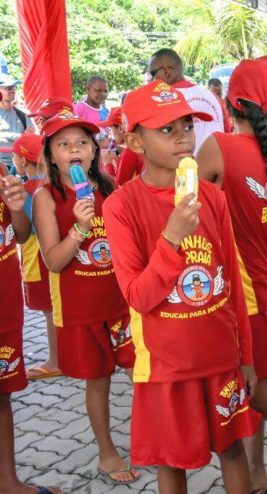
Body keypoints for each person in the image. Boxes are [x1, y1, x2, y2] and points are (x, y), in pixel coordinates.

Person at [103, 80, 258, 493]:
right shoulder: (120, 206)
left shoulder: (212, 197)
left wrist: (246, 352)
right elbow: (138, 295)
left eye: (187, 126)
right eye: (166, 130)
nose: (183, 137)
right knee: (171, 462)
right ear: (135, 140)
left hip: (221, 355)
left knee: (232, 450)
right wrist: (171, 239)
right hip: (165, 367)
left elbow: (232, 280)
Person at [196, 56, 267, 493]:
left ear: (231, 103)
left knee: (266, 396)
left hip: (240, 297)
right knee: (260, 391)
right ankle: (257, 473)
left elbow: (182, 210)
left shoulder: (218, 148)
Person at [32, 111, 138, 484]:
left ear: (93, 151)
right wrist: (79, 227)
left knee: (141, 372)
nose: (74, 149)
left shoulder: (109, 189)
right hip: (80, 307)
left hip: (121, 303)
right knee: (99, 379)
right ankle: (106, 452)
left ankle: (150, 439)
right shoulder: (46, 198)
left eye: (81, 143)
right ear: (51, 155)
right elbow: (54, 261)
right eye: (63, 144)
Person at [0, 146, 63, 494]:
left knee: (3, 396)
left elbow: (21, 234)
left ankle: (9, 483)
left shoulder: (0, 171)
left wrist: (14, 208)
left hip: (5, 311)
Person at [10, 132, 61, 380]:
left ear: (21, 160)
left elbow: (27, 227)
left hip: (37, 257)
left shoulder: (29, 189)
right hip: (53, 253)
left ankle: (55, 359)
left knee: (49, 310)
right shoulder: (53, 184)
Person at [147, 49, 226, 151]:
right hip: (217, 163)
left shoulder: (163, 100)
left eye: (152, 74)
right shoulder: (212, 96)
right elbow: (225, 132)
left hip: (184, 165)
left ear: (166, 72)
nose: (151, 80)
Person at [97, 107, 145, 184]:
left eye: (110, 129)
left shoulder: (129, 153)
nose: (109, 135)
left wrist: (107, 164)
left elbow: (117, 188)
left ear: (120, 129)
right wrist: (119, 162)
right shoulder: (141, 146)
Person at [0, 74, 28, 169]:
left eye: (14, 87)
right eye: (9, 87)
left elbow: (33, 139)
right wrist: (19, 137)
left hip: (20, 168)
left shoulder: (23, 114)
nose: (13, 90)